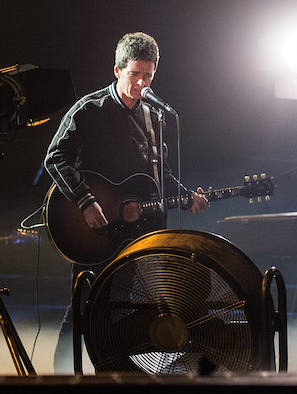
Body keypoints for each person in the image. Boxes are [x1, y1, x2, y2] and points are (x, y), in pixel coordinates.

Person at [43, 31, 208, 372]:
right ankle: (61, 375)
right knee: (85, 305)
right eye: (135, 74)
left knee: (119, 308)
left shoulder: (153, 116)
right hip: (93, 227)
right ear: (117, 71)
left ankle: (112, 374)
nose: (142, 83)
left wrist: (187, 198)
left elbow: (158, 175)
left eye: (148, 75)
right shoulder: (89, 110)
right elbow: (55, 157)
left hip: (133, 229)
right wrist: (85, 201)